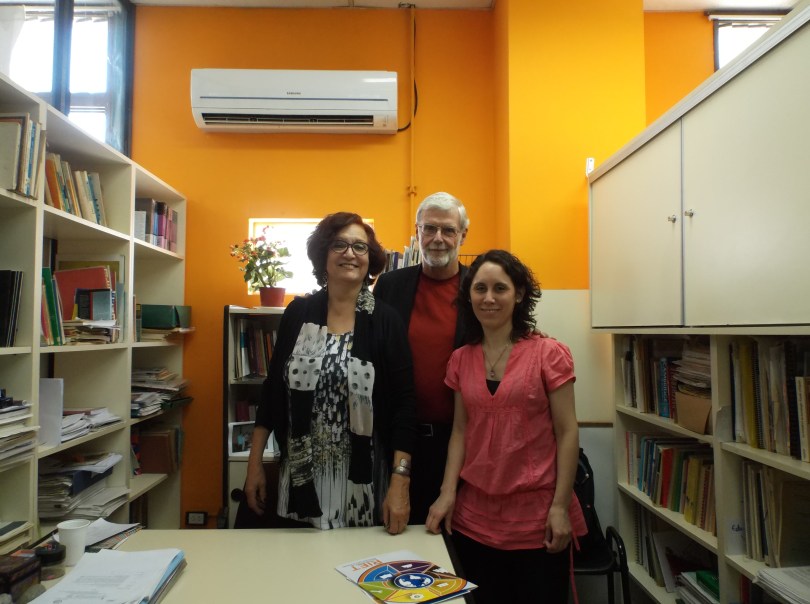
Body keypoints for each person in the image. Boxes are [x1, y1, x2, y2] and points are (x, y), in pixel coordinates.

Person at [425, 249, 586, 604]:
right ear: (469, 296)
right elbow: (460, 431)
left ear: (519, 294)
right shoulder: (460, 359)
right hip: (473, 520)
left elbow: (567, 432)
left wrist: (560, 507)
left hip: (537, 520)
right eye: (480, 288)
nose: (489, 298)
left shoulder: (549, 353)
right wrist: (448, 493)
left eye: (500, 288)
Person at [244, 212, 418, 534]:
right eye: (339, 244)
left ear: (370, 259)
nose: (350, 253)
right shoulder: (298, 313)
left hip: (363, 489)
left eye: (359, 247)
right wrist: (254, 464)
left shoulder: (385, 321)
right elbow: (272, 393)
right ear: (323, 254)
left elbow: (405, 405)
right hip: (300, 484)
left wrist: (401, 480)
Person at [373, 191, 470, 525]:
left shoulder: (477, 288)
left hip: (460, 443)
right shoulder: (390, 286)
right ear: (417, 232)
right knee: (395, 531)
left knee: (451, 535)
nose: (438, 238)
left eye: (448, 230)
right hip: (398, 439)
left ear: (462, 235)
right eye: (429, 228)